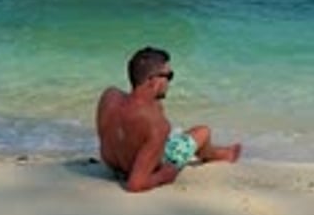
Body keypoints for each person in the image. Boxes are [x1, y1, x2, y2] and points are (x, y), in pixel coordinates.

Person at [96, 46, 241, 193]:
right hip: (137, 170)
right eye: (169, 76)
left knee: (158, 116)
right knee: (202, 132)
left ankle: (214, 152)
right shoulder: (157, 125)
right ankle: (220, 154)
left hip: (113, 168)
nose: (169, 82)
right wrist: (165, 175)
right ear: (152, 80)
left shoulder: (109, 97)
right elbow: (135, 184)